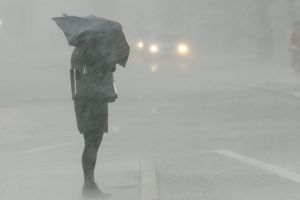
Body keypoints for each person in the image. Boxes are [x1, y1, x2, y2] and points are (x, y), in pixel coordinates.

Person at [70, 39, 117, 199]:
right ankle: (88, 184)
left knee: (91, 142)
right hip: (93, 101)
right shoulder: (92, 53)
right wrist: (107, 60)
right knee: (92, 143)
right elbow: (99, 73)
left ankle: (89, 183)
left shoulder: (78, 52)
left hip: (85, 101)